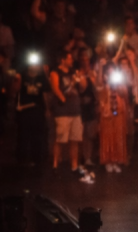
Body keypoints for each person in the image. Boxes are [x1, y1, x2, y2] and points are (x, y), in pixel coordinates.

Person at [50, 50, 87, 178]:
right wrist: (63, 98)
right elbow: (55, 88)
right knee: (60, 139)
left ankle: (74, 166)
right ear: (63, 60)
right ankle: (55, 165)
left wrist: (80, 78)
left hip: (75, 110)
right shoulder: (56, 73)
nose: (71, 61)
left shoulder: (73, 72)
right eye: (69, 59)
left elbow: (83, 88)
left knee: (75, 139)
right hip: (63, 111)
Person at [13, 55, 49, 173]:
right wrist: (17, 80)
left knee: (37, 135)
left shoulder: (41, 78)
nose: (36, 66)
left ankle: (37, 159)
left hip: (37, 109)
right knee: (23, 135)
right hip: (24, 110)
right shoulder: (22, 75)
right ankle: (22, 159)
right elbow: (15, 90)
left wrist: (47, 109)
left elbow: (45, 93)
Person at [98, 64, 130, 173]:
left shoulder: (120, 83)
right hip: (107, 114)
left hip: (118, 112)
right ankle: (108, 161)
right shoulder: (102, 83)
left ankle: (116, 161)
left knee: (118, 136)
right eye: (109, 72)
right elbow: (100, 97)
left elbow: (125, 94)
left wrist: (116, 84)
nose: (111, 74)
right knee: (108, 137)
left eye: (113, 72)